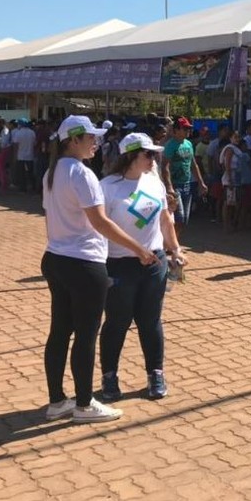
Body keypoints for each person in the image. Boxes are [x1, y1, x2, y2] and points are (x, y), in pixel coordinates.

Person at [41, 115, 158, 424]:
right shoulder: (82, 174)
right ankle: (83, 403)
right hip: (83, 263)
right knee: (86, 335)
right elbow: (100, 222)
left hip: (56, 257)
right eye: (90, 137)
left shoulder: (52, 172)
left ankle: (57, 400)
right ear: (73, 140)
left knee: (59, 333)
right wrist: (139, 248)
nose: (96, 142)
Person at [99, 132, 182, 402]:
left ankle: (155, 374)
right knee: (117, 323)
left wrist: (175, 249)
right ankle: (109, 376)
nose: (153, 159)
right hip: (119, 265)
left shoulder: (154, 182)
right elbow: (99, 228)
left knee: (151, 322)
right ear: (131, 155)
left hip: (154, 264)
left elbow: (164, 219)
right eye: (148, 154)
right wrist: (135, 250)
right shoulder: (107, 186)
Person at [162, 117, 205, 228]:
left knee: (185, 219)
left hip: (187, 184)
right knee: (179, 217)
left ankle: (175, 241)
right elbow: (164, 166)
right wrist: (169, 186)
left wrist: (201, 183)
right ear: (176, 130)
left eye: (189, 129)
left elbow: (193, 164)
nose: (188, 131)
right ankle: (172, 243)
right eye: (185, 128)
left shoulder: (189, 144)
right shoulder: (170, 145)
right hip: (175, 185)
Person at [220, 130, 244, 232]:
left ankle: (232, 223)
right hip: (230, 179)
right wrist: (230, 179)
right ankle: (226, 225)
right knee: (228, 202)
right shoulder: (230, 149)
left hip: (237, 178)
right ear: (230, 138)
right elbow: (227, 165)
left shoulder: (236, 149)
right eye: (235, 137)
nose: (237, 139)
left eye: (238, 137)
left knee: (235, 203)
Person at [12, 119, 37, 193]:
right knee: (30, 172)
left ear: (20, 125)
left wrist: (14, 156)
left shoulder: (18, 133)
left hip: (20, 156)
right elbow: (34, 143)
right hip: (30, 156)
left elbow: (16, 146)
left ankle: (23, 188)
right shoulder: (32, 132)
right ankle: (33, 187)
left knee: (21, 173)